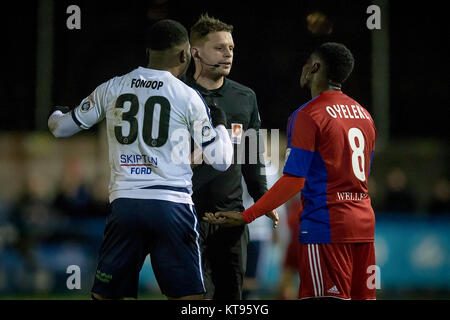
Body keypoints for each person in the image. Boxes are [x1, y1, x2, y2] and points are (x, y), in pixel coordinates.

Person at [48, 19, 233, 300]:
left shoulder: (112, 87)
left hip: (126, 204)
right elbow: (221, 161)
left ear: (148, 51)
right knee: (189, 300)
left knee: (106, 296)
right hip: (172, 205)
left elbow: (60, 128)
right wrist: (220, 128)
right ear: (185, 55)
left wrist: (58, 113)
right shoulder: (188, 96)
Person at [205, 42, 377, 300]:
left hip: (327, 226)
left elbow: (295, 180)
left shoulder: (309, 114)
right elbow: (363, 175)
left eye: (307, 62)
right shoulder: (364, 115)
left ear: (315, 67)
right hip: (364, 226)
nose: (303, 67)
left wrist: (248, 215)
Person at [184, 13, 278, 300]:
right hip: (187, 215)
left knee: (232, 298)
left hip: (232, 217)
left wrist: (263, 197)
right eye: (219, 48)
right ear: (195, 52)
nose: (228, 54)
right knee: (194, 299)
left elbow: (252, 155)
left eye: (231, 48)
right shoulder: (178, 93)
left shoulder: (244, 97)